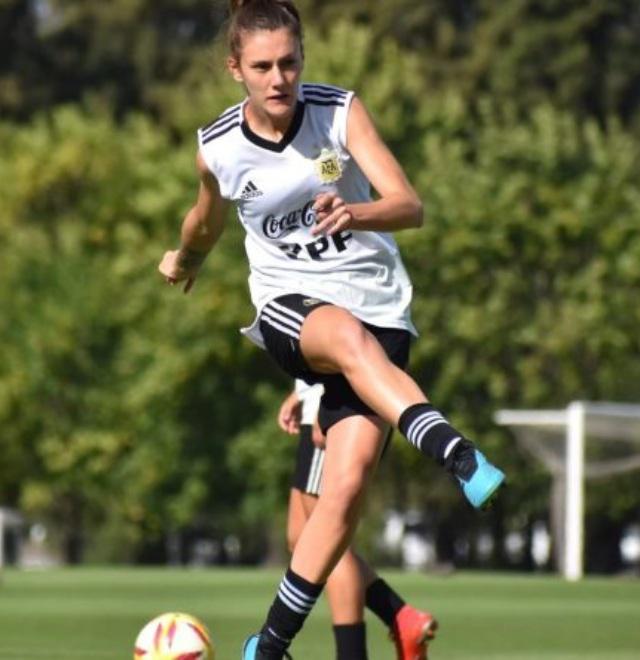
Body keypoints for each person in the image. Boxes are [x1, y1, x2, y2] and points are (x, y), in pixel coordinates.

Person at [157, 1, 506, 657]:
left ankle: (270, 644)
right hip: (289, 307)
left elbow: (410, 205)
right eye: (261, 66)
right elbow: (203, 222)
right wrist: (186, 258)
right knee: (343, 336)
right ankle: (458, 455)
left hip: (381, 309)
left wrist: (358, 212)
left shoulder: (340, 111)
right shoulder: (219, 146)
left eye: (289, 62)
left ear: (302, 60)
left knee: (340, 495)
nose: (278, 78)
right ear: (236, 68)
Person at [279, 381, 436, 660]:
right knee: (299, 537)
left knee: (326, 544)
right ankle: (401, 616)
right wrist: (302, 390)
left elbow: (352, 343)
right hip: (325, 395)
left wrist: (322, 397)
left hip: (335, 404)